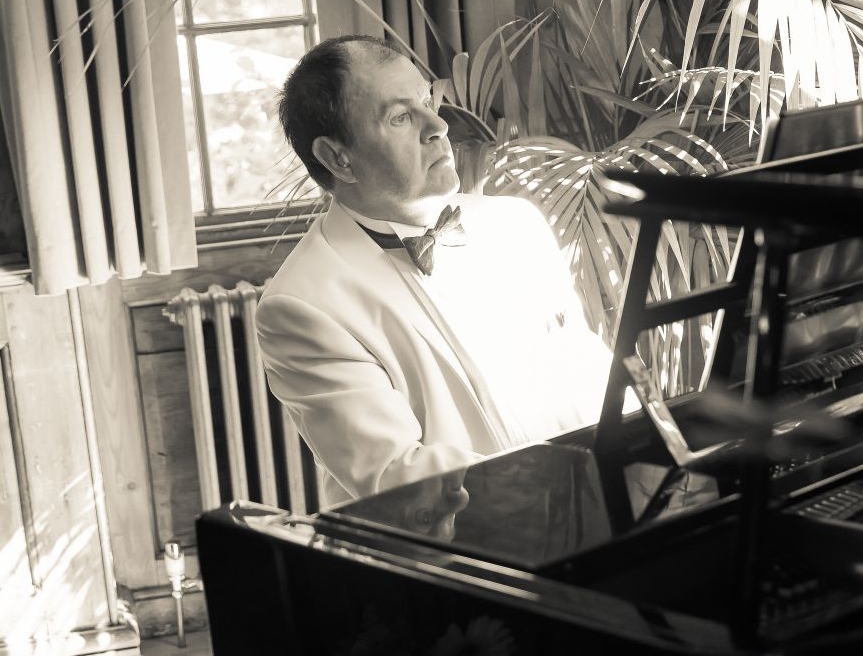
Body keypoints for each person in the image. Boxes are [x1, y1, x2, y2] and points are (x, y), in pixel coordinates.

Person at [256, 34, 611, 507]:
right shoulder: (302, 305)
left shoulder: (517, 224)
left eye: (427, 101)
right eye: (400, 116)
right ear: (336, 158)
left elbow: (586, 373)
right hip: (453, 560)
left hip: (592, 511)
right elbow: (402, 476)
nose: (438, 126)